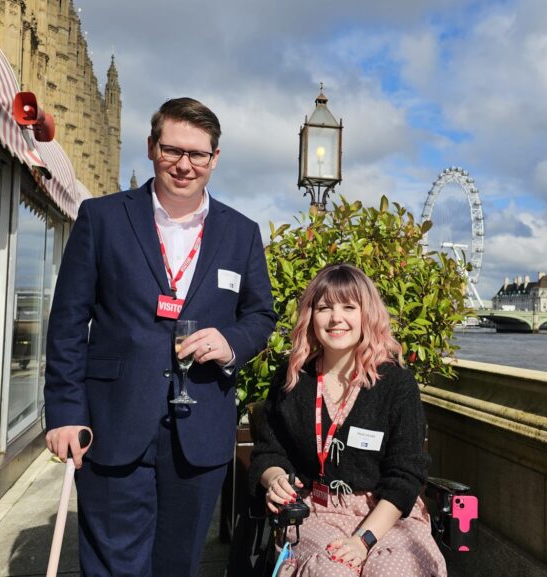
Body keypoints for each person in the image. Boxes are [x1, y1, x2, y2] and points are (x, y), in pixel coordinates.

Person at [44, 97, 277, 577]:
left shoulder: (242, 232)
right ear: (151, 147)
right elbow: (68, 321)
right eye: (173, 150)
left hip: (201, 430)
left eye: (198, 154)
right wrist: (65, 414)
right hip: (112, 421)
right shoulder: (101, 218)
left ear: (214, 158)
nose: (184, 165)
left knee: (178, 564)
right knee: (113, 564)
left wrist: (232, 342)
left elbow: (260, 315)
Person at [248, 264, 447, 576]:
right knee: (333, 572)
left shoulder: (395, 384)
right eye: (324, 307)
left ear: (366, 315)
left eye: (349, 307)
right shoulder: (292, 380)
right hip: (316, 511)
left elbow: (406, 475)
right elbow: (268, 453)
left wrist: (363, 540)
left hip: (386, 515)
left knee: (394, 569)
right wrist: (274, 480)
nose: (336, 318)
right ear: (311, 316)